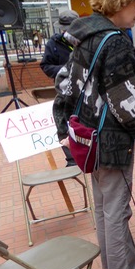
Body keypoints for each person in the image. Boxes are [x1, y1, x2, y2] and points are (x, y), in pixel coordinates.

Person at [53, 0, 135, 269]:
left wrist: (64, 126)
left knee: (105, 204)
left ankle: (118, 259)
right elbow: (127, 103)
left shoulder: (86, 37)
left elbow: (65, 85)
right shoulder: (115, 41)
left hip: (88, 137)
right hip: (111, 140)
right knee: (117, 207)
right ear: (120, 4)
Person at [41, 9, 80, 167]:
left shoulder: (86, 41)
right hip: (65, 91)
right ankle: (71, 159)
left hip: (85, 89)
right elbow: (45, 65)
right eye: (65, 27)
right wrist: (65, 70)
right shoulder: (53, 43)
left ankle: (87, 154)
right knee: (64, 123)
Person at [41, 9, 79, 79]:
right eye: (65, 30)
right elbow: (46, 66)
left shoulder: (86, 40)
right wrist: (66, 69)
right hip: (63, 84)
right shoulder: (53, 43)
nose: (68, 32)